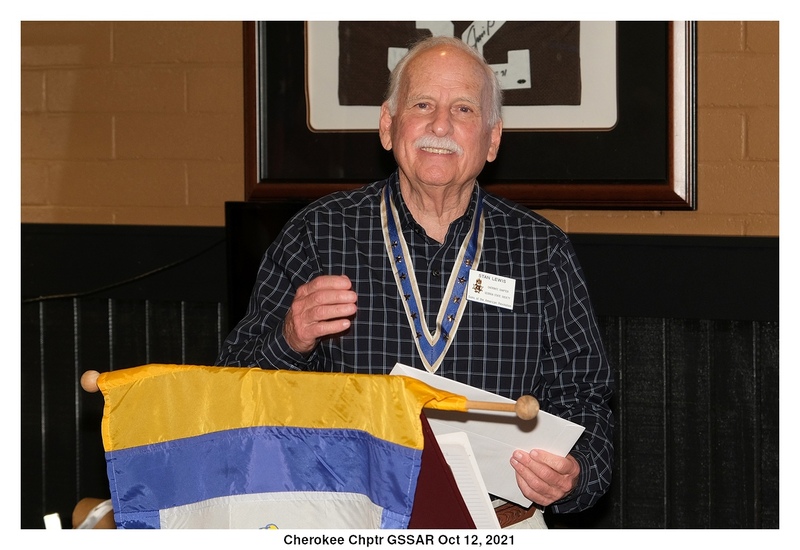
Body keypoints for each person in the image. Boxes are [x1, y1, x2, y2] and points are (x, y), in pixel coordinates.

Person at [217, 35, 613, 528]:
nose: (440, 125)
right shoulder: (318, 235)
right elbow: (228, 393)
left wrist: (576, 473)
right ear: (388, 125)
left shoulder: (541, 251)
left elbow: (586, 403)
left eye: (463, 109)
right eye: (422, 104)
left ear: (492, 139)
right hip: (347, 523)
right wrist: (289, 339)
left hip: (503, 525)